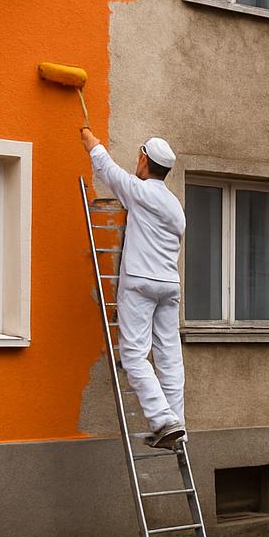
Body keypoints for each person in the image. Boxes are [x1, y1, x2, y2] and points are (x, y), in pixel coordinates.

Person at [81, 128, 187, 450]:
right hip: (169, 286)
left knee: (133, 355)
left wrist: (91, 142)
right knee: (169, 358)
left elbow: (108, 170)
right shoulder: (175, 207)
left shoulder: (140, 192)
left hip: (140, 284)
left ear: (144, 159)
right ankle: (177, 423)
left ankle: (162, 420)